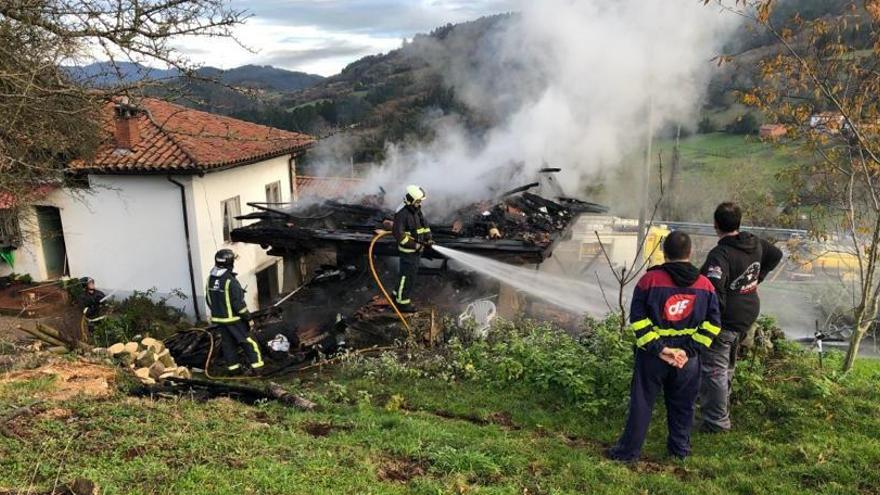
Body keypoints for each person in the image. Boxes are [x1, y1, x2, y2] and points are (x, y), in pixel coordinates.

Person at [607, 231, 721, 462]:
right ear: (690, 253)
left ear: (664, 252)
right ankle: (679, 452)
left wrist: (661, 349)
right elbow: (713, 325)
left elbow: (638, 321)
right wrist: (687, 351)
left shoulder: (649, 281)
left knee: (642, 404)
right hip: (687, 361)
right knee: (684, 407)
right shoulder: (706, 286)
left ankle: (627, 454)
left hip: (652, 358)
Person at [698, 202, 783, 432]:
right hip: (748, 314)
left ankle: (716, 423)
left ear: (715, 224)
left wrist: (714, 318)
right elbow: (776, 254)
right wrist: (756, 279)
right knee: (727, 367)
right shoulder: (753, 242)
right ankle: (721, 410)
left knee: (714, 369)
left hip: (727, 319)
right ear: (739, 221)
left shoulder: (720, 254)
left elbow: (715, 289)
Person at [206, 249, 264, 373]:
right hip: (234, 320)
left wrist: (219, 312)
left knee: (228, 345)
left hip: (219, 320)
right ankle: (258, 368)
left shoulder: (210, 279)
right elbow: (238, 304)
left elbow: (209, 300)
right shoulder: (230, 281)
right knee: (248, 342)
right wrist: (248, 317)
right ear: (230, 262)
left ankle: (234, 370)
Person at [392, 185, 432, 313]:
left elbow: (424, 225)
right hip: (408, 252)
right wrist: (414, 245)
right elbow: (399, 235)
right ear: (411, 200)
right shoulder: (402, 214)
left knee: (407, 276)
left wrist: (428, 238)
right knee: (407, 277)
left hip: (416, 251)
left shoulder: (416, 210)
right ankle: (403, 303)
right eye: (418, 201)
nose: (420, 204)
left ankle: (396, 294)